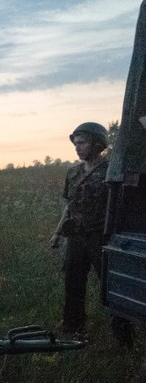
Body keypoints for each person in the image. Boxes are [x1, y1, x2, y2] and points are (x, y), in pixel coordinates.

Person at [50, 121, 132, 342]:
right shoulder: (73, 172)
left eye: (82, 143)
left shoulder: (112, 171)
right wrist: (58, 233)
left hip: (102, 238)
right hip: (76, 237)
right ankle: (72, 330)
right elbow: (70, 204)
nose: (77, 147)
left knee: (112, 287)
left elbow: (122, 206)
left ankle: (123, 336)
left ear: (98, 144)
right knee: (73, 285)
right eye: (76, 143)